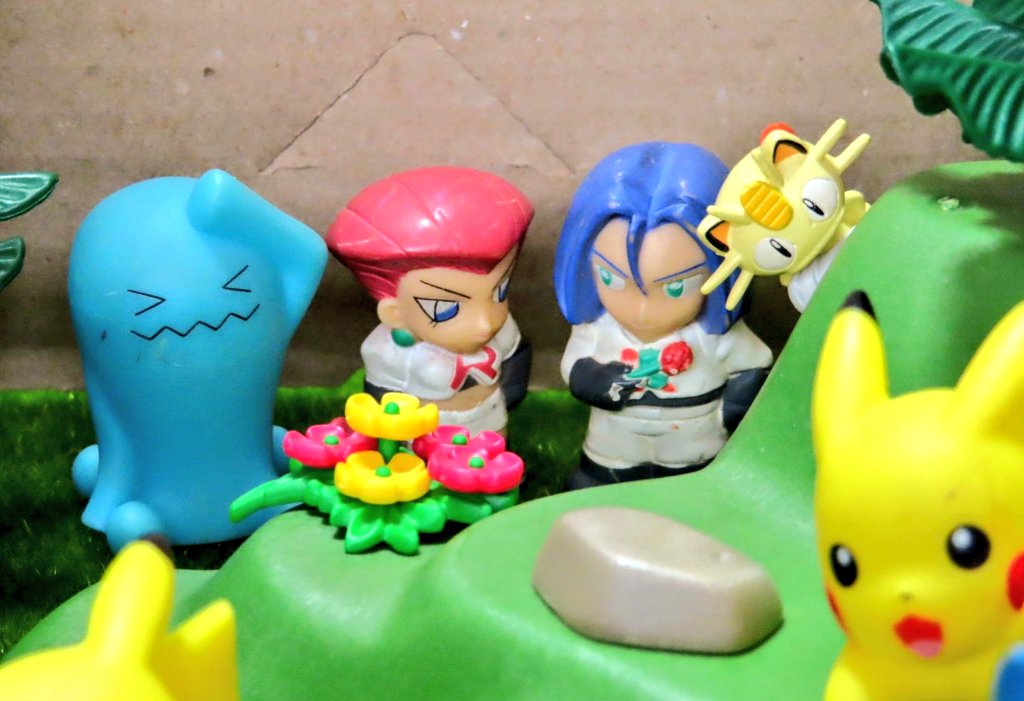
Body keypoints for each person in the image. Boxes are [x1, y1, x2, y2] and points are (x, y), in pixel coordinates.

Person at [554, 142, 773, 489]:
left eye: (675, 287)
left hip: (692, 446)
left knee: (689, 495)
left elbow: (753, 367)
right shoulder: (597, 329)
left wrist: (728, 415)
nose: (642, 310)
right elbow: (574, 365)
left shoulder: (714, 337)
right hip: (615, 444)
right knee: (597, 487)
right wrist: (594, 380)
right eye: (611, 279)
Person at [327, 166, 533, 434]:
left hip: (489, 418)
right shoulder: (387, 351)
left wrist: (511, 392)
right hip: (428, 432)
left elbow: (517, 355)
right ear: (395, 313)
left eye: (499, 292)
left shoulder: (502, 329)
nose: (485, 323)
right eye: (445, 308)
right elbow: (382, 401)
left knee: (495, 452)